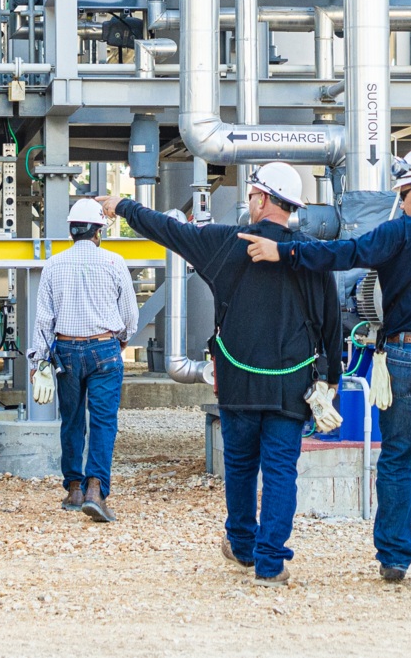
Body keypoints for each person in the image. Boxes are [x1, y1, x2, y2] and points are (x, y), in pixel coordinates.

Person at [243, 146, 411, 593]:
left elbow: (344, 253)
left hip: (404, 361)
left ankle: (394, 557)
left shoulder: (401, 232)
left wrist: (286, 253)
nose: (404, 199)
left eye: (406, 191)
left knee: (397, 457)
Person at [99, 162, 341, 584]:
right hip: (291, 384)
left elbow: (168, 230)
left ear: (263, 199)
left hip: (238, 381)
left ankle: (243, 546)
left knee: (242, 466)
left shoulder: (225, 244)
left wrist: (123, 205)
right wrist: (331, 377)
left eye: (250, 195)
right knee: (281, 470)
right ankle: (270, 564)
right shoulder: (310, 255)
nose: (248, 201)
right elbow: (332, 321)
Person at [28, 194, 138, 521]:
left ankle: (73, 489)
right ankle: (96, 490)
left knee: (72, 420)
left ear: (72, 231)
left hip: (65, 351)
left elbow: (44, 320)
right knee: (104, 422)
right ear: (98, 232)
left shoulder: (53, 265)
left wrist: (39, 363)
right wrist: (121, 340)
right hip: (105, 349)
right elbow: (129, 315)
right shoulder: (115, 262)